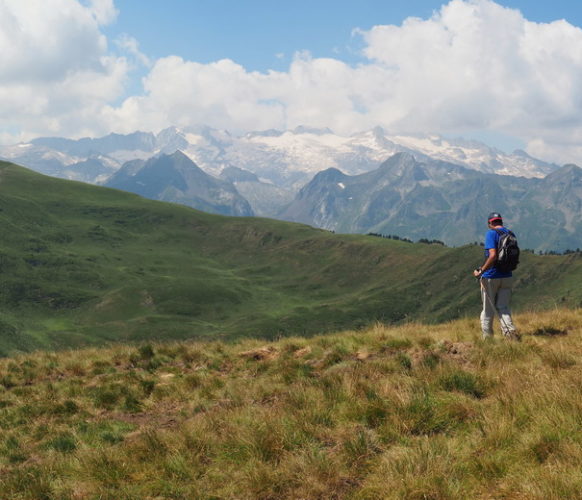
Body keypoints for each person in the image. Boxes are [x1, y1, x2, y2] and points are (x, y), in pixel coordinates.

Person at [472, 212, 519, 340]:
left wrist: (481, 271)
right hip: (507, 276)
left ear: (490, 223)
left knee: (487, 310)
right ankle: (510, 334)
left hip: (491, 277)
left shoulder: (491, 233)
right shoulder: (510, 234)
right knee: (503, 307)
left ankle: (488, 340)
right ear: (501, 222)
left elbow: (492, 256)